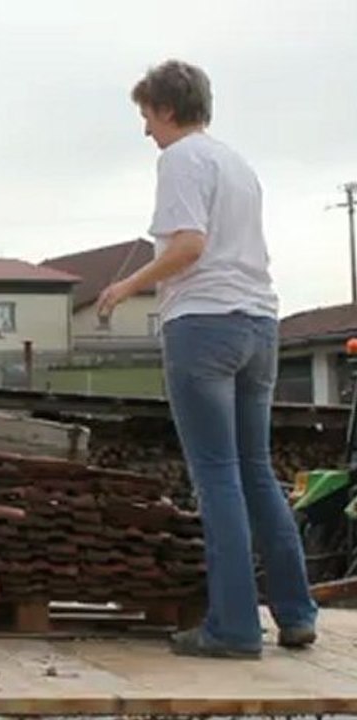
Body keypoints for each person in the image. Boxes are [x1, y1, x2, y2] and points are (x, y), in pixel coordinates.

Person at [96, 60, 317, 659]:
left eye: (146, 116)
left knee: (215, 475)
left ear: (167, 109)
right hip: (259, 323)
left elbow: (189, 246)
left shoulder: (180, 160)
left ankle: (234, 628)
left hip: (204, 323)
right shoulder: (238, 164)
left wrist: (124, 288)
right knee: (255, 469)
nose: (146, 131)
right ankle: (296, 614)